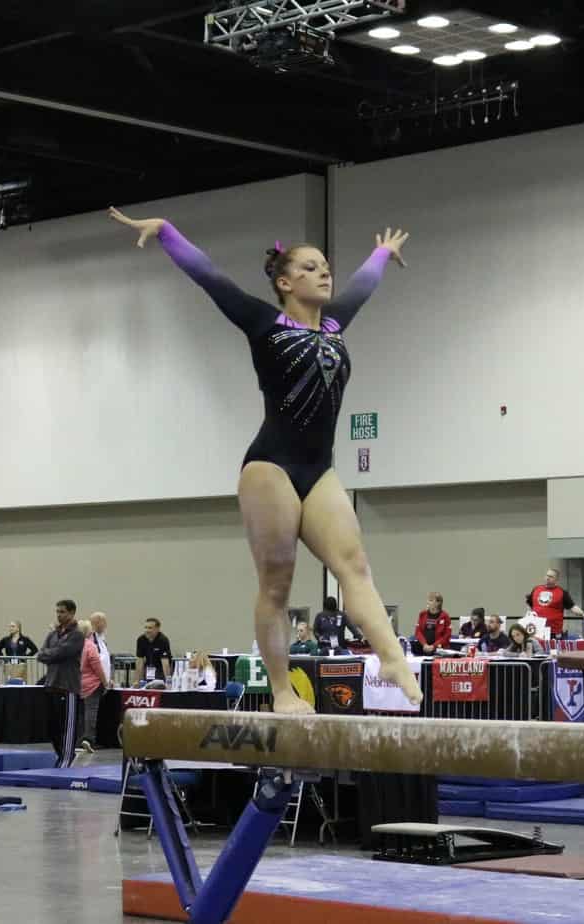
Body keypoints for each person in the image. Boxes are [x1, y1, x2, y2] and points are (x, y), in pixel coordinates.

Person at [109, 206, 421, 714]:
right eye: (310, 268)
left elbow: (364, 284)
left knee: (355, 566)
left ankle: (390, 657)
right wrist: (166, 231)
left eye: (326, 267)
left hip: (319, 469)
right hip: (270, 466)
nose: (324, 274)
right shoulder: (263, 321)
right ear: (284, 282)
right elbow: (209, 277)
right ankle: (281, 691)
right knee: (277, 583)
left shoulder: (335, 325)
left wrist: (383, 253)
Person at [37, 600, 84, 768]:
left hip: (68, 687)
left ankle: (66, 759)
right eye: (57, 611)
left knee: (67, 728)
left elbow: (62, 652)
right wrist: (54, 653)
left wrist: (52, 653)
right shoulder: (52, 634)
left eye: (62, 612)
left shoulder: (77, 635)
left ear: (71, 613)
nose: (59, 615)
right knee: (52, 728)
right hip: (52, 684)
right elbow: (41, 655)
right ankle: (62, 755)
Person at [524, 568, 584, 639]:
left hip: (553, 631)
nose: (547, 578)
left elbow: (572, 607)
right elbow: (529, 604)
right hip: (536, 629)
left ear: (556, 579)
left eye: (551, 576)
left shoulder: (562, 592)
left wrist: (583, 614)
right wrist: (528, 615)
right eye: (547, 575)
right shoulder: (536, 589)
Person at [77, 617, 107, 754]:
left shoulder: (73, 646)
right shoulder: (90, 646)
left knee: (80, 714)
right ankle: (89, 739)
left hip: (78, 684)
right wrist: (105, 682)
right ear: (88, 632)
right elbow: (97, 667)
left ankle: (78, 739)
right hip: (92, 685)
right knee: (91, 713)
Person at [136, 618, 174, 685]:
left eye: (150, 628)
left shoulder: (163, 640)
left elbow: (165, 663)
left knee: (158, 686)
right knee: (146, 686)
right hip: (148, 669)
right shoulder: (141, 640)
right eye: (145, 627)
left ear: (157, 629)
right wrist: (137, 681)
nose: (147, 630)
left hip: (160, 670)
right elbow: (140, 661)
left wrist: (168, 682)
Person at [89, 612, 113, 692]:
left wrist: (108, 679)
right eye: (104, 622)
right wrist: (105, 681)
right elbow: (97, 663)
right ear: (97, 623)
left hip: (103, 682)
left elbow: (105, 661)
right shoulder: (91, 639)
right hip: (95, 683)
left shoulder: (102, 639)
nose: (106, 625)